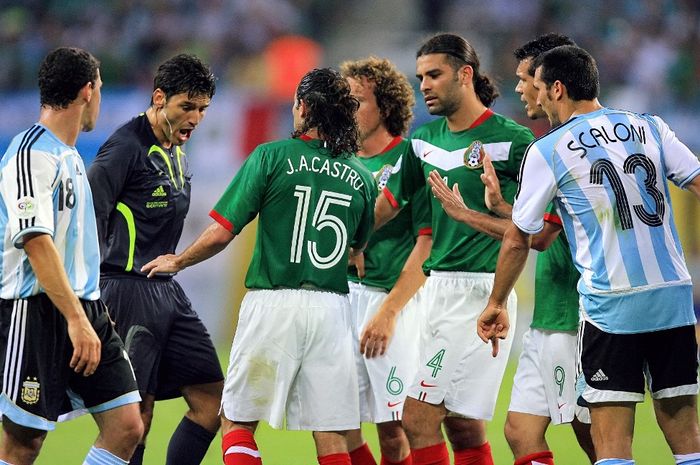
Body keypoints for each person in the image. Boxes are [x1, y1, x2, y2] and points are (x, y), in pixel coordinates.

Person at [142, 67, 377, 465]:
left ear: (303, 106)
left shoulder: (272, 156)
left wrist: (179, 260)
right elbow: (359, 248)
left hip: (274, 303)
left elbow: (221, 232)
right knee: (333, 436)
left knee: (237, 422)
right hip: (333, 311)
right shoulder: (362, 177)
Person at [478, 45, 700, 465]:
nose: (537, 97)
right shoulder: (649, 126)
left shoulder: (549, 149)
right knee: (687, 436)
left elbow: (518, 238)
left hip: (612, 307)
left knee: (611, 444)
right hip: (673, 298)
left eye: (540, 88)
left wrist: (495, 303)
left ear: (558, 89)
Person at [428, 33, 596, 465]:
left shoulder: (562, 148)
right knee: (521, 432)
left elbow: (537, 239)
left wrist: (467, 216)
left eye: (526, 79)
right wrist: (504, 208)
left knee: (594, 433)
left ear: (549, 81)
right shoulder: (555, 142)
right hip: (549, 313)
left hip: (574, 311)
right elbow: (535, 226)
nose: (519, 88)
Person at [374, 33, 534, 465]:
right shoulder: (423, 142)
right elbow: (388, 205)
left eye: (434, 74)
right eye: (420, 76)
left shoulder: (513, 141)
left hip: (482, 292)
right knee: (461, 425)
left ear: (465, 75)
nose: (423, 84)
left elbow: (533, 231)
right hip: (435, 292)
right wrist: (350, 238)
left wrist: (492, 212)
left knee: (417, 416)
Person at [0, 47, 143, 465]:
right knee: (24, 443)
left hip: (86, 309)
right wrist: (76, 319)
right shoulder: (30, 155)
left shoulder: (72, 158)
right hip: (36, 310)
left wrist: (91, 306)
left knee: (127, 425)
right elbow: (36, 242)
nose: (99, 97)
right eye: (99, 87)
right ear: (87, 91)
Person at [87, 54, 223, 465]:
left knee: (212, 401)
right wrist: (89, 294)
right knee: (136, 417)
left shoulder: (176, 151)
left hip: (166, 291)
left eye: (202, 109)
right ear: (159, 97)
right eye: (187, 107)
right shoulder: (126, 146)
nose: (195, 118)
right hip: (126, 291)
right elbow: (92, 210)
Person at [339, 57, 432, 465]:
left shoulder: (411, 160)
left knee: (394, 428)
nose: (348, 110)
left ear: (387, 108)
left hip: (391, 302)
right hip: (340, 301)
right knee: (337, 422)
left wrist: (390, 310)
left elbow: (427, 245)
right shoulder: (337, 163)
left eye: (357, 101)